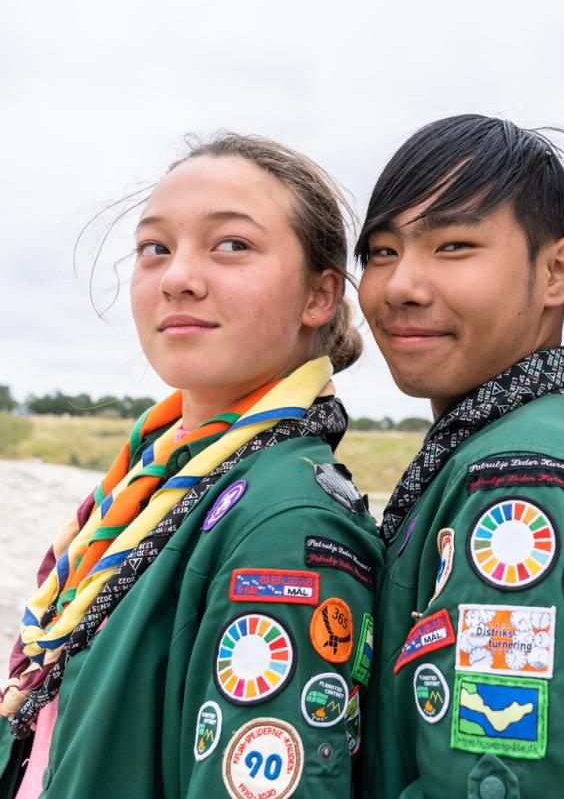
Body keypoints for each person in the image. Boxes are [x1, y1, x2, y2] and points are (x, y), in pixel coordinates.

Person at [0, 134, 381, 798]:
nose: (178, 276)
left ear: (318, 297)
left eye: (231, 244)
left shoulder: (286, 525)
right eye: (156, 248)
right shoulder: (150, 480)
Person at [356, 114, 564, 799]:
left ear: (555, 272)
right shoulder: (479, 445)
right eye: (381, 252)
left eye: (453, 246)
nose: (400, 287)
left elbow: (493, 781)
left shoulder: (516, 478)